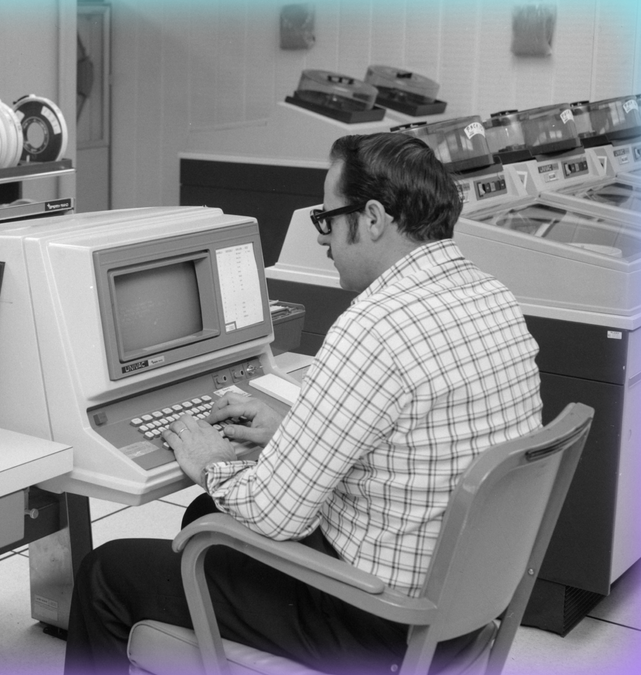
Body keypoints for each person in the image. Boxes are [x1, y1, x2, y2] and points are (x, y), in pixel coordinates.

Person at [64, 132, 543, 675]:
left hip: (376, 621)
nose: (325, 238)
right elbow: (418, 438)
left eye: (329, 219)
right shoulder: (491, 297)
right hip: (464, 607)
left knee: (106, 572)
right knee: (206, 518)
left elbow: (274, 512)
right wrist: (296, 431)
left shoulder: (375, 326)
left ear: (374, 217)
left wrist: (209, 463)